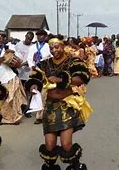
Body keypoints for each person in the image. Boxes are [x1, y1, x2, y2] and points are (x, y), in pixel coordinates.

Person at [25, 38, 93, 170]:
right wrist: (34, 87)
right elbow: (35, 78)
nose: (54, 50)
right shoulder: (44, 64)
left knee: (66, 144)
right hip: (50, 107)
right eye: (51, 48)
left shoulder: (73, 61)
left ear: (63, 47)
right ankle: (50, 166)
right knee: (49, 146)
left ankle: (75, 165)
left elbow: (81, 78)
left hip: (66, 106)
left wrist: (60, 79)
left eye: (57, 47)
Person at [0, 33, 27, 125]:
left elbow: (19, 58)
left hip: (10, 76)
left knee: (13, 97)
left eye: (0, 38)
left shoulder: (9, 47)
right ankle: (2, 117)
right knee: (2, 98)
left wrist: (14, 53)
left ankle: (15, 117)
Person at [27, 29, 52, 124]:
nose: (40, 37)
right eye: (38, 35)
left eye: (42, 35)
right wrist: (31, 65)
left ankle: (42, 115)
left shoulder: (48, 46)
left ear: (45, 37)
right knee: (35, 92)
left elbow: (51, 57)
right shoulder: (33, 47)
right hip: (35, 71)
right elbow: (29, 58)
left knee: (45, 93)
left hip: (46, 71)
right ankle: (37, 113)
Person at [15, 31, 35, 118]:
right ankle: (20, 107)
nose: (28, 40)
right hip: (18, 72)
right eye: (27, 38)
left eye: (30, 39)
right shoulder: (18, 45)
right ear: (25, 36)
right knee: (19, 90)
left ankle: (27, 109)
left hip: (28, 72)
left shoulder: (33, 47)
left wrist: (23, 64)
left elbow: (32, 59)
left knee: (28, 91)